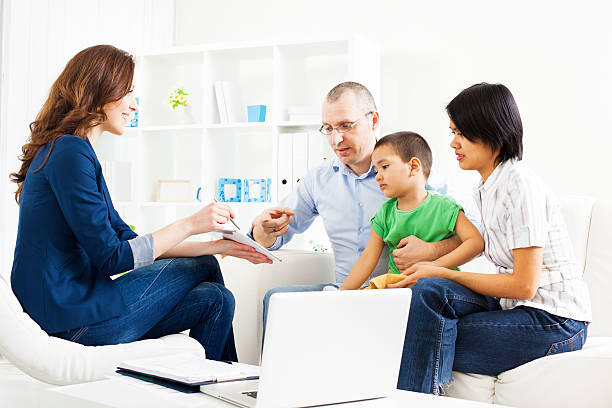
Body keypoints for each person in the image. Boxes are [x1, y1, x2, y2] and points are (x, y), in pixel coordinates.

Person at [9, 45, 270, 361]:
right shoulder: (69, 153)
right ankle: (235, 387)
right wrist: (190, 224)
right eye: (128, 93)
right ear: (99, 89)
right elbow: (113, 258)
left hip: (74, 312)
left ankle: (214, 389)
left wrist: (218, 246)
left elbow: (128, 243)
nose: (134, 105)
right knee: (205, 269)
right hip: (71, 321)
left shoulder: (73, 153)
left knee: (217, 299)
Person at [389, 83, 592, 394]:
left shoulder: (519, 186)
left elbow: (524, 284)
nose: (453, 143)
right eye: (452, 131)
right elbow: (475, 244)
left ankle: (411, 399)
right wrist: (428, 268)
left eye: (460, 133)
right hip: (518, 308)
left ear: (490, 131)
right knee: (429, 292)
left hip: (556, 323)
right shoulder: (488, 187)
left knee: (420, 334)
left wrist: (440, 269)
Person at [251, 81, 479, 332]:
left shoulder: (410, 175)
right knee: (277, 300)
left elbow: (477, 234)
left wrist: (432, 250)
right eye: (328, 128)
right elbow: (275, 234)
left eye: (346, 126)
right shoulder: (318, 181)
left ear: (373, 121)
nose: (337, 138)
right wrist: (263, 233)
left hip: (398, 293)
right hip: (346, 289)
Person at [340, 131, 483, 290]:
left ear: (414, 167)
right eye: (376, 170)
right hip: (399, 287)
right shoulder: (384, 214)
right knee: (369, 295)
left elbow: (475, 243)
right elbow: (367, 258)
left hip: (437, 286)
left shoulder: (444, 206)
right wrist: (343, 293)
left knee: (427, 290)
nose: (378, 176)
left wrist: (435, 267)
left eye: (385, 167)